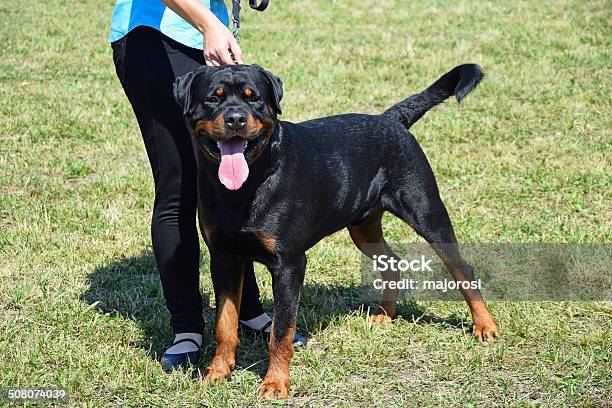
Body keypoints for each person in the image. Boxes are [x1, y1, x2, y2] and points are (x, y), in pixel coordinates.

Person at [108, 0, 305, 372]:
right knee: (179, 183)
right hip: (157, 34)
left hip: (207, 30)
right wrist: (208, 24)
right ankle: (187, 329)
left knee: (233, 184)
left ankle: (247, 311)